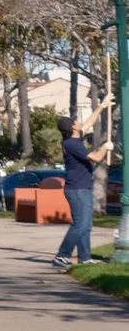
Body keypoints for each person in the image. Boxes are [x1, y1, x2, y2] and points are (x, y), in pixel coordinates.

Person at [52, 115, 113, 271]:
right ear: (73, 127)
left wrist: (102, 106)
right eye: (76, 121)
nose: (79, 122)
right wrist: (106, 147)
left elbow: (88, 123)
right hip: (77, 189)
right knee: (80, 224)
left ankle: (85, 258)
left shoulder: (73, 140)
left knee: (86, 225)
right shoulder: (72, 144)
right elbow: (96, 157)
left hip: (82, 188)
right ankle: (62, 255)